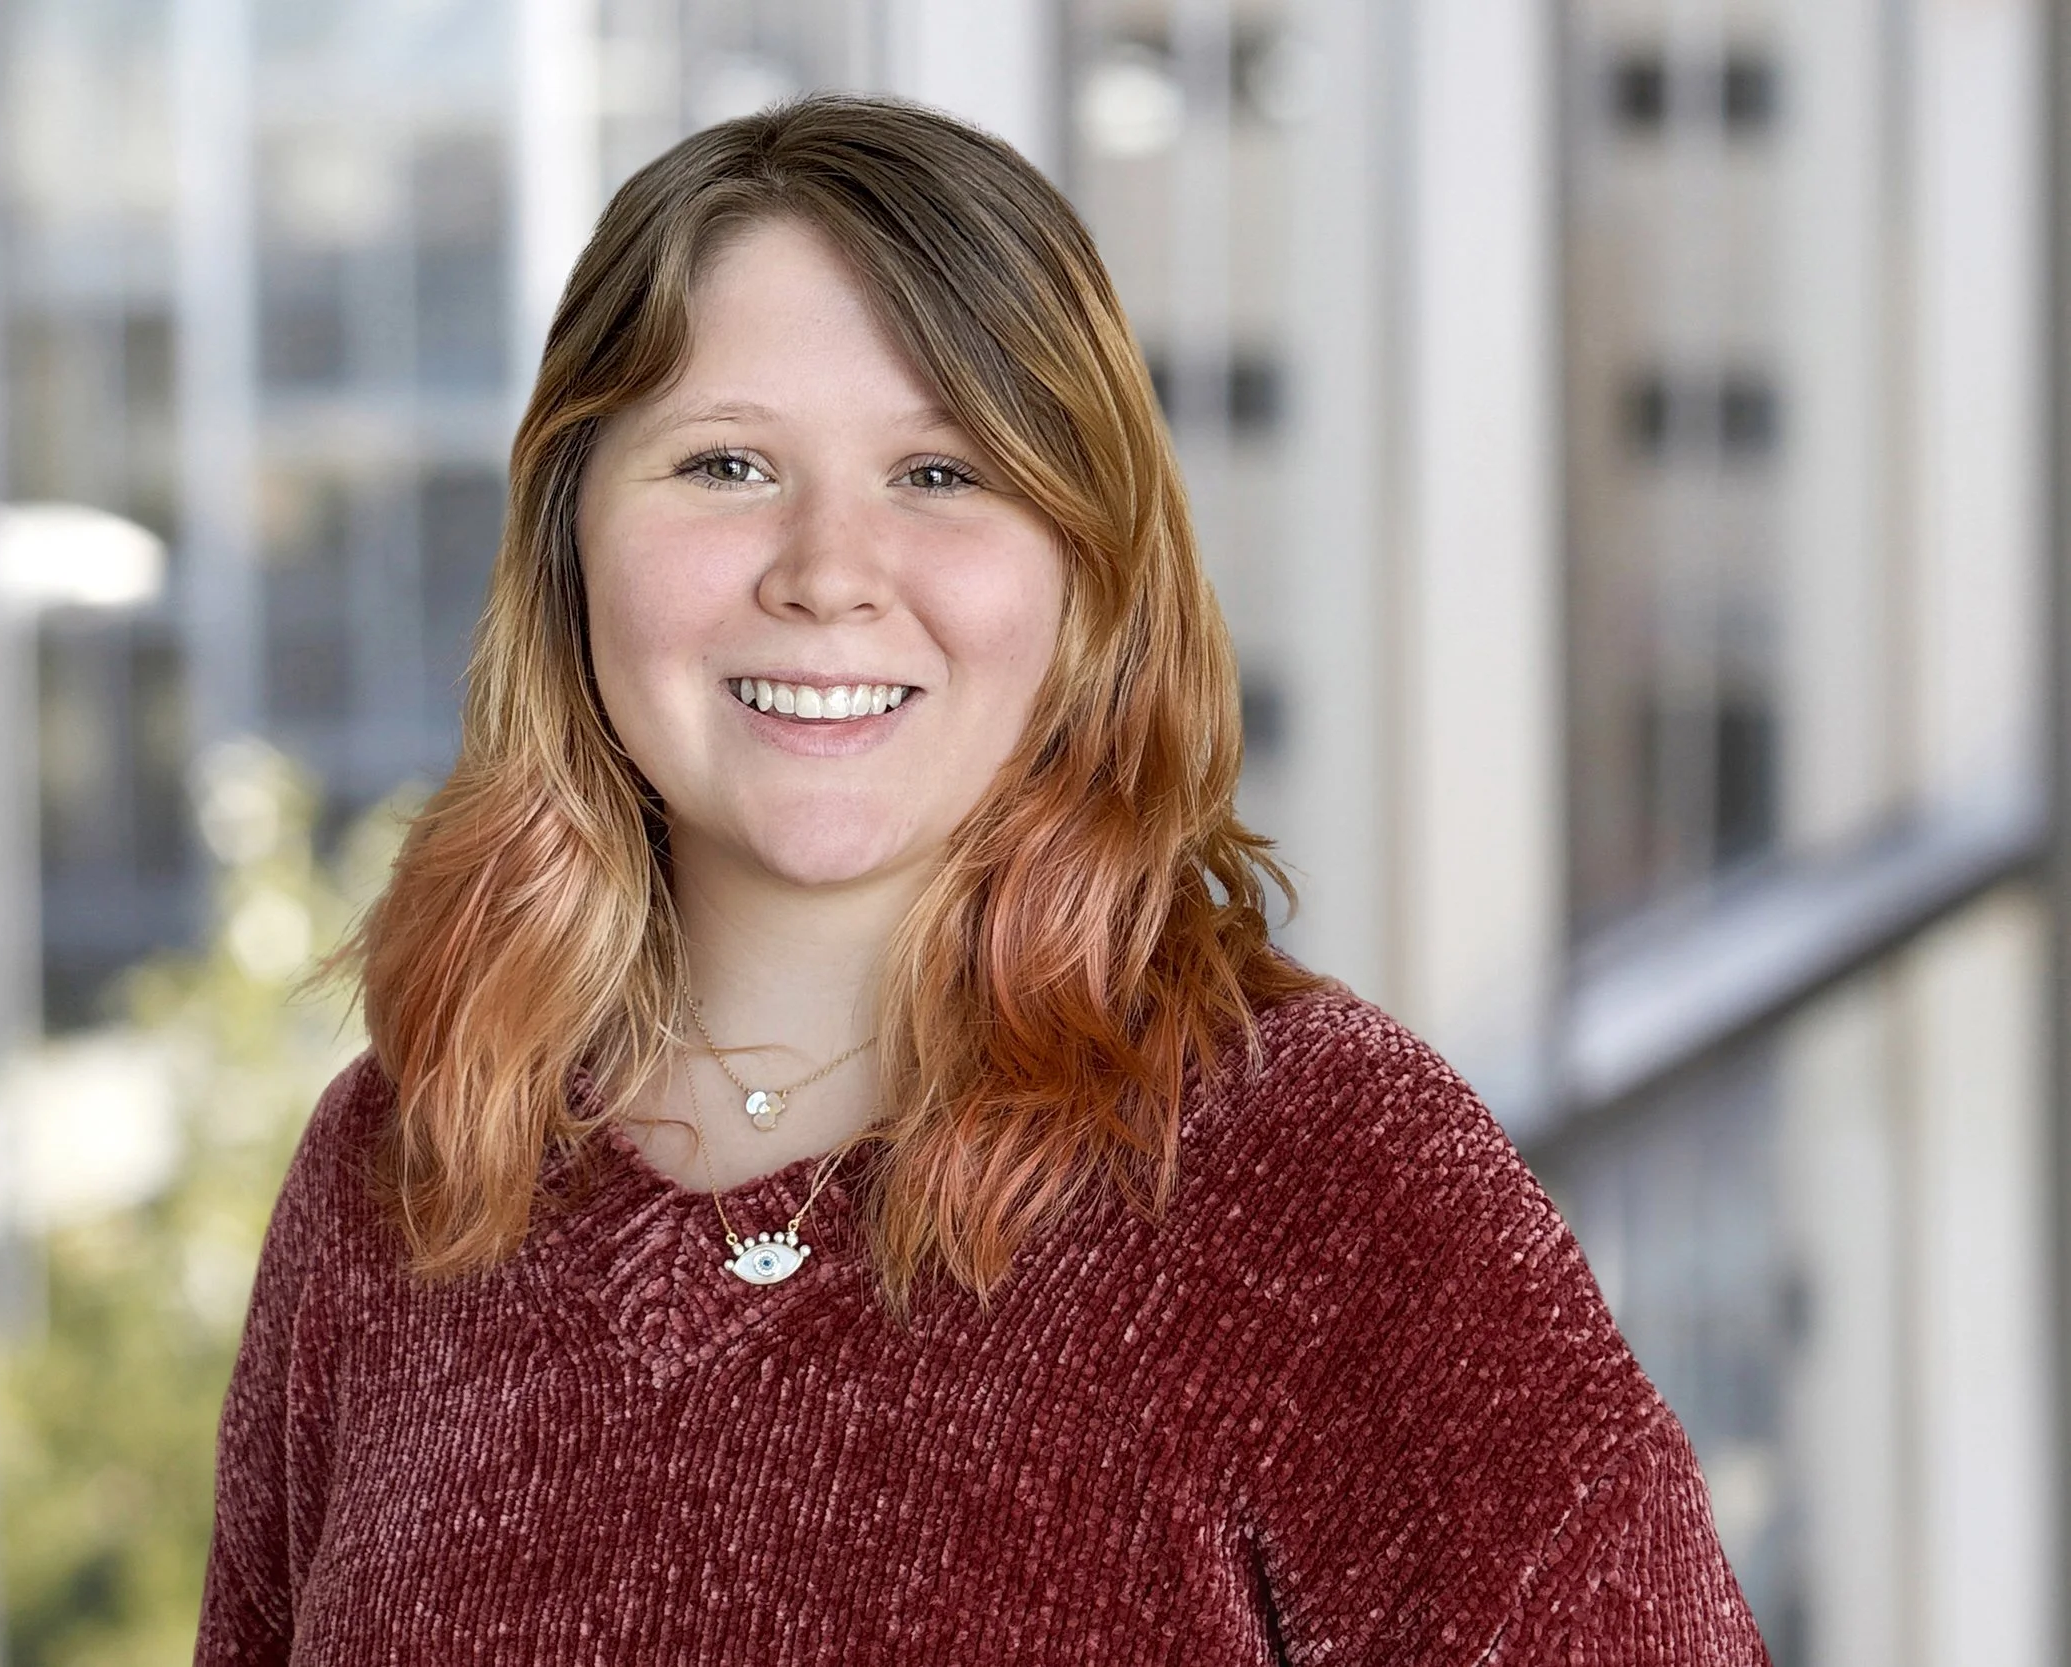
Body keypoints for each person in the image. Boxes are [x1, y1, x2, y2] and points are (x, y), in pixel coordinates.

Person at [196, 94, 1768, 1663]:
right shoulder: (395, 1170)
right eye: (727, 462)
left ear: (1085, 568)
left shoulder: (1331, 1178)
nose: (825, 570)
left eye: (941, 473)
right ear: (569, 537)